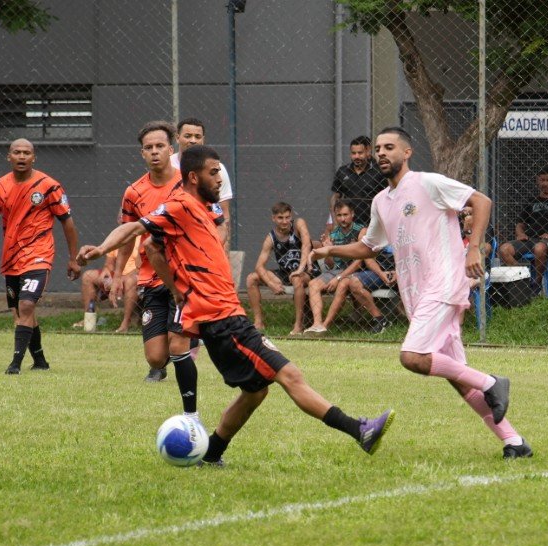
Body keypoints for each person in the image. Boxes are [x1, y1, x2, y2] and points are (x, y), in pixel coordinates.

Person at [76, 145, 394, 465]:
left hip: (225, 315)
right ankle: (360, 430)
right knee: (290, 375)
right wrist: (102, 249)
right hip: (223, 320)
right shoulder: (180, 205)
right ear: (193, 177)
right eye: (213, 172)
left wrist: (176, 288)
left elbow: (153, 247)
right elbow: (136, 230)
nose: (220, 179)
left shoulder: (203, 208)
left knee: (255, 392)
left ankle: (212, 453)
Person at [306, 126, 532, 460]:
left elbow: (481, 201)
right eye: (378, 149)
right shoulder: (381, 201)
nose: (381, 153)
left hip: (443, 283)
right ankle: (514, 441)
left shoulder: (428, 183)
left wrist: (474, 250)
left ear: (407, 152)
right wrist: (329, 251)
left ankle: (491, 382)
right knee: (459, 378)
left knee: (412, 356)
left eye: (389, 147)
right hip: (418, 294)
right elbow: (368, 247)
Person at [0, 139, 81, 374]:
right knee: (20, 312)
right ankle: (40, 361)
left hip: (39, 254)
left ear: (33, 157)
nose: (22, 156)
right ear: (9, 156)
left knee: (26, 305)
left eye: (27, 152)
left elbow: (67, 223)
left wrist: (73, 258)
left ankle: (15, 365)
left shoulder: (48, 186)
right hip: (12, 258)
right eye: (17, 152)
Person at [116, 120, 185, 382]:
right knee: (156, 357)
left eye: (160, 146)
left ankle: (186, 340)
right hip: (151, 275)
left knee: (177, 342)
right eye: (149, 147)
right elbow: (126, 235)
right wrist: (119, 274)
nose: (155, 151)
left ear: (171, 149)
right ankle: (163, 360)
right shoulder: (133, 192)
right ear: (142, 153)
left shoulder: (188, 184)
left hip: (184, 274)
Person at [303, 202, 387, 335]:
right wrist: (328, 249)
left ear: (352, 214)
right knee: (313, 284)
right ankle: (317, 324)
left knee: (343, 284)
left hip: (356, 271)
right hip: (337, 270)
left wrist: (338, 278)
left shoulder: (361, 231)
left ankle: (325, 326)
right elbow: (331, 265)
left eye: (345, 215)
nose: (342, 219)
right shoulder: (333, 234)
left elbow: (360, 260)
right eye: (339, 215)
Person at [246, 201, 313, 335]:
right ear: (274, 218)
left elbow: (306, 244)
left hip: (306, 271)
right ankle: (258, 322)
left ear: (291, 216)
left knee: (297, 278)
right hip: (286, 273)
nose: (285, 221)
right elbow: (259, 266)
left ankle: (298, 325)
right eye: (280, 218)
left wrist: (300, 268)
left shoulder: (298, 224)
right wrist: (270, 283)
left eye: (287, 217)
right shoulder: (271, 238)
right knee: (251, 278)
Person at [497, 167, 548, 293]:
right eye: (542, 180)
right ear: (537, 181)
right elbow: (520, 223)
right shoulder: (531, 201)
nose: (545, 183)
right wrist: (520, 234)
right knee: (504, 249)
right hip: (529, 239)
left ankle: (536, 284)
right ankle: (525, 279)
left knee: (539, 248)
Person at [172, 117, 233, 251]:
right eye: (188, 136)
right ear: (177, 138)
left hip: (206, 243)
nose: (193, 140)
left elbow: (224, 214)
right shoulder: (167, 166)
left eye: (197, 136)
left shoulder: (218, 169)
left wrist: (224, 251)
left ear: (203, 139)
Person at [73, 246, 139, 333]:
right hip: (117, 275)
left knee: (130, 281)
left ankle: (126, 322)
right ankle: (89, 318)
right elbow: (109, 264)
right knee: (87, 276)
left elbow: (140, 267)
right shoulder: (118, 240)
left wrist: (121, 279)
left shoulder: (141, 240)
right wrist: (106, 274)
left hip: (135, 276)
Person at [329, 135, 387, 229]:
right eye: (353, 153)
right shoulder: (343, 171)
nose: (356, 156)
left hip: (372, 224)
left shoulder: (379, 172)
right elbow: (335, 198)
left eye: (360, 153)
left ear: (367, 152)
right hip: (348, 226)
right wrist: (335, 222)